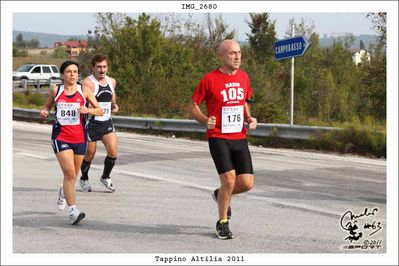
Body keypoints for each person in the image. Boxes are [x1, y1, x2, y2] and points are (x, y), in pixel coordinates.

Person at [189, 39, 257, 240]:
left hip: (239, 137)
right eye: (232, 53)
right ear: (221, 56)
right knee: (229, 179)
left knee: (246, 183)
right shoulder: (210, 79)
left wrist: (249, 118)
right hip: (218, 136)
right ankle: (222, 223)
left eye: (239, 53)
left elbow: (243, 101)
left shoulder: (244, 77)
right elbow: (193, 105)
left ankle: (220, 195)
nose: (237, 57)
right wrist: (204, 120)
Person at [40, 61, 103, 225]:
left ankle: (64, 191)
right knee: (69, 173)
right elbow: (47, 107)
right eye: (69, 71)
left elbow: (100, 109)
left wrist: (88, 110)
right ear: (62, 75)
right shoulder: (56, 90)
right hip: (61, 137)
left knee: (73, 175)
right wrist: (45, 111)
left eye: (75, 71)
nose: (72, 74)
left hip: (80, 138)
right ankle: (73, 211)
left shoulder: (84, 91)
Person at [79, 54, 119, 193]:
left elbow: (112, 94)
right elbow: (82, 102)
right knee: (90, 154)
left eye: (104, 67)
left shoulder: (112, 81)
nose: (102, 70)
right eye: (99, 67)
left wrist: (114, 105)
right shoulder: (87, 83)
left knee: (113, 151)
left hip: (106, 121)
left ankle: (105, 177)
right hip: (92, 123)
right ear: (93, 68)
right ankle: (84, 178)